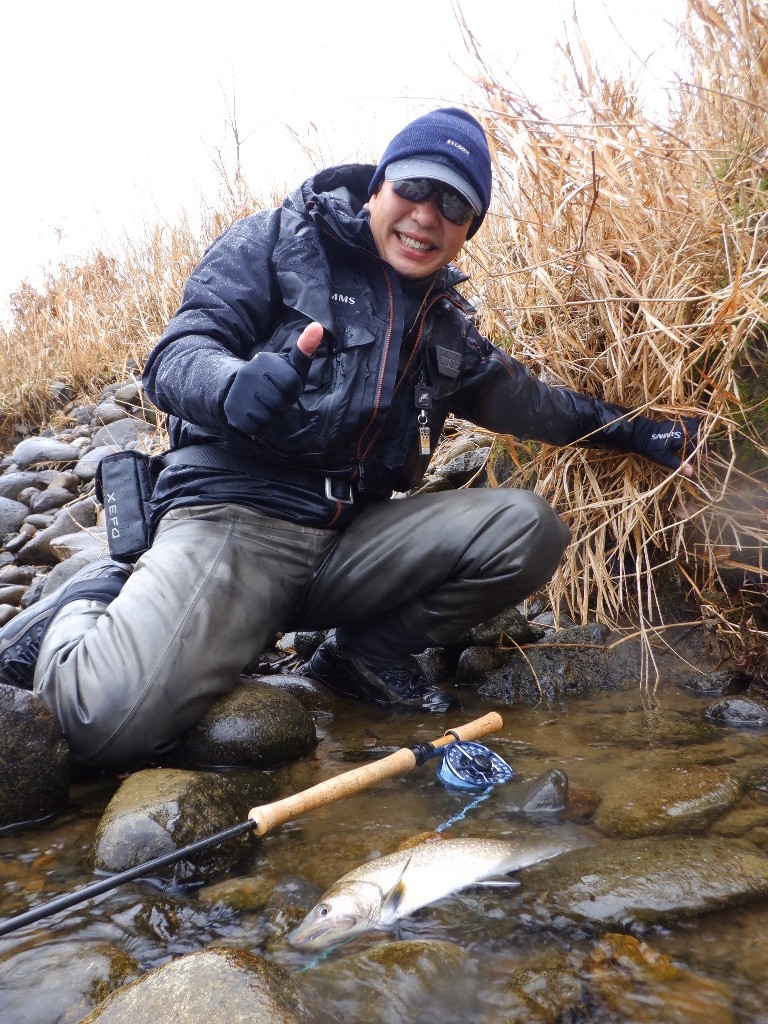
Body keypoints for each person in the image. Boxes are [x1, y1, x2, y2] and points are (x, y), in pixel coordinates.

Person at [0, 108, 699, 768]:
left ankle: (361, 658)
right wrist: (230, 383)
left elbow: (536, 405)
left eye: (454, 206)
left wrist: (642, 434)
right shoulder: (278, 241)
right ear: (379, 186)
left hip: (350, 542)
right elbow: (175, 358)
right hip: (238, 524)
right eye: (415, 187)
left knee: (526, 529)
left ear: (468, 230)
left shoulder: (446, 325)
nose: (427, 215)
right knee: (103, 724)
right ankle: (97, 593)